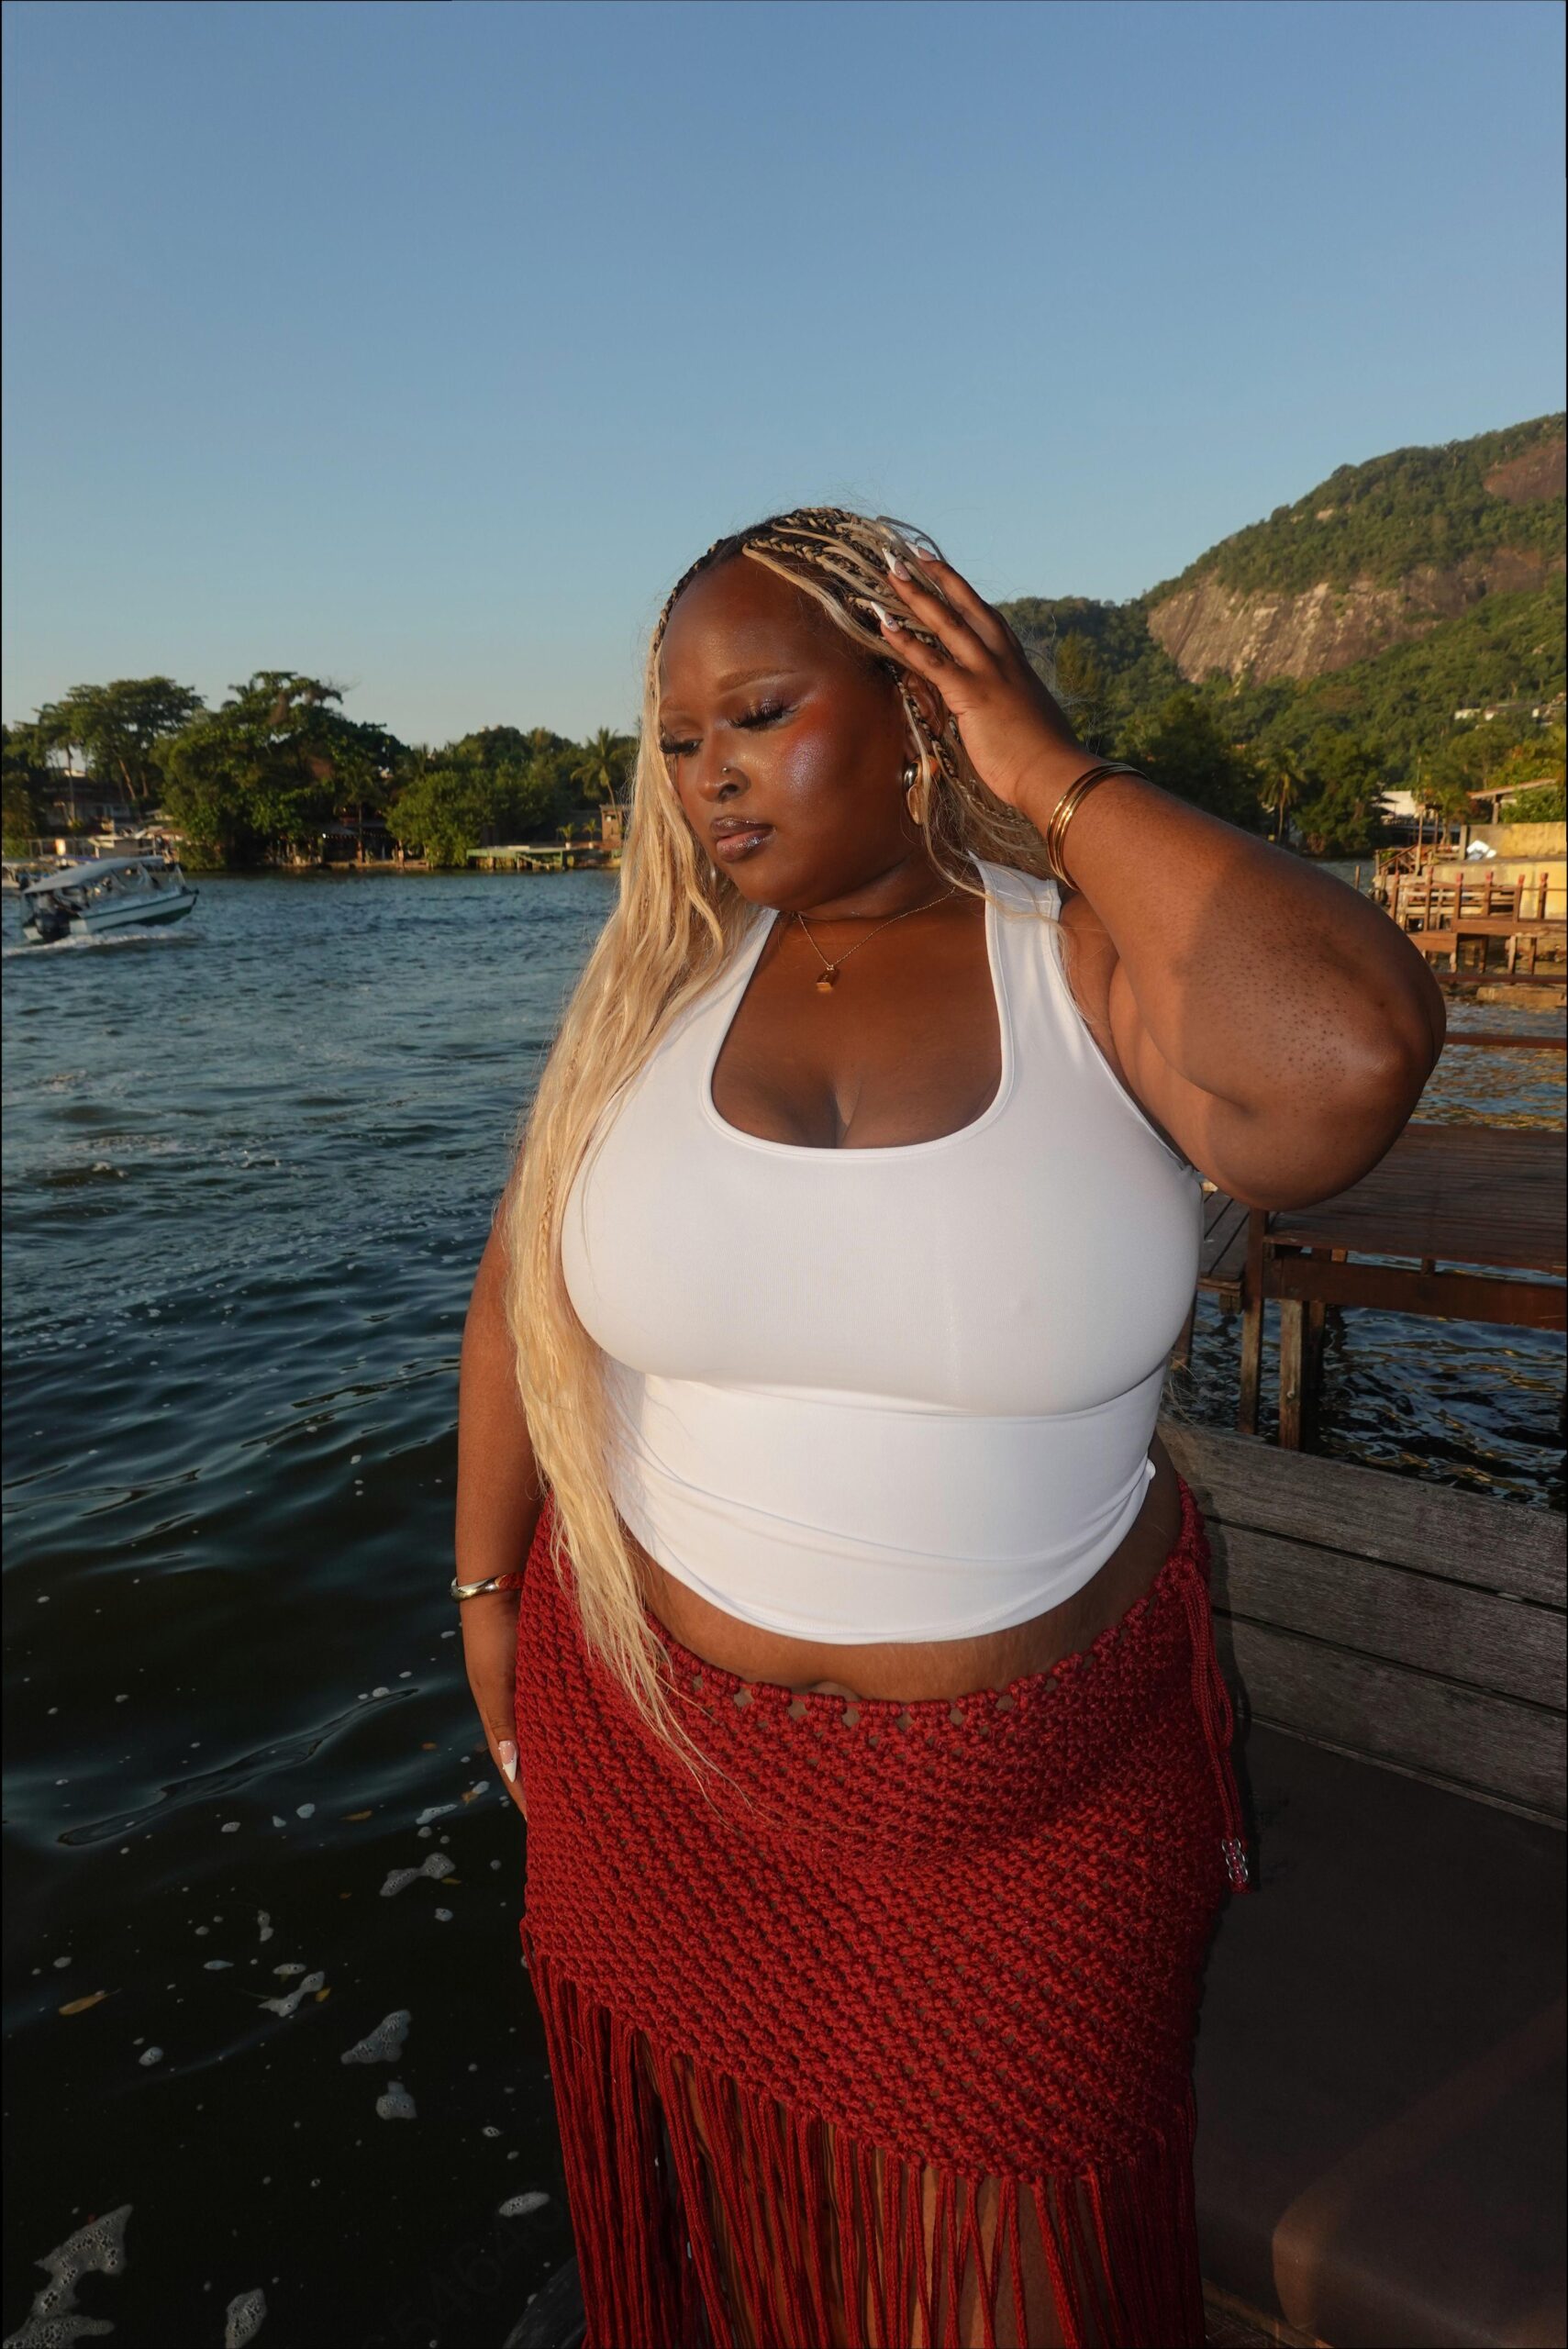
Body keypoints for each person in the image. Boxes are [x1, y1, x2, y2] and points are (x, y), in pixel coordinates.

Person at [455, 508, 1442, 2349]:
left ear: (919, 706)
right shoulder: (644, 1005)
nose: (709, 779)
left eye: (754, 713)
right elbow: (520, 1300)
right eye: (677, 744)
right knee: (755, 2259)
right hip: (661, 1771)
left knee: (1007, 2293)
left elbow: (1351, 1055)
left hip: (1033, 1817)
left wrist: (1051, 774)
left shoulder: (1084, 971)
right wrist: (484, 1590)